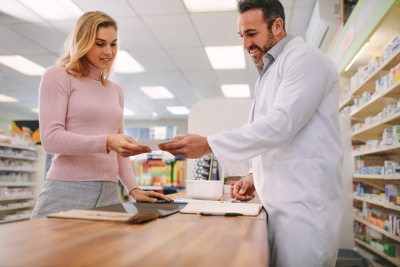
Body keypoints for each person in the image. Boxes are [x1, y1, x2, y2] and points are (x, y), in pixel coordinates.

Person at [159, 0, 343, 266]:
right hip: (278, 206)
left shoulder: (307, 60)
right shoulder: (268, 73)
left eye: (252, 34)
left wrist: (208, 144)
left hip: (305, 208)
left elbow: (282, 125)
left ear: (277, 25)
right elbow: (277, 138)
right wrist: (255, 174)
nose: (245, 44)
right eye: (242, 35)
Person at [32, 11, 173, 220]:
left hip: (108, 194)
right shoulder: (59, 76)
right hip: (66, 191)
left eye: (113, 44)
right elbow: (51, 140)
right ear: (82, 43)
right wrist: (107, 141)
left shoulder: (115, 90)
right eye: (100, 43)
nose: (109, 51)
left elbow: (119, 152)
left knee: (99, 253)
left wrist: (134, 189)